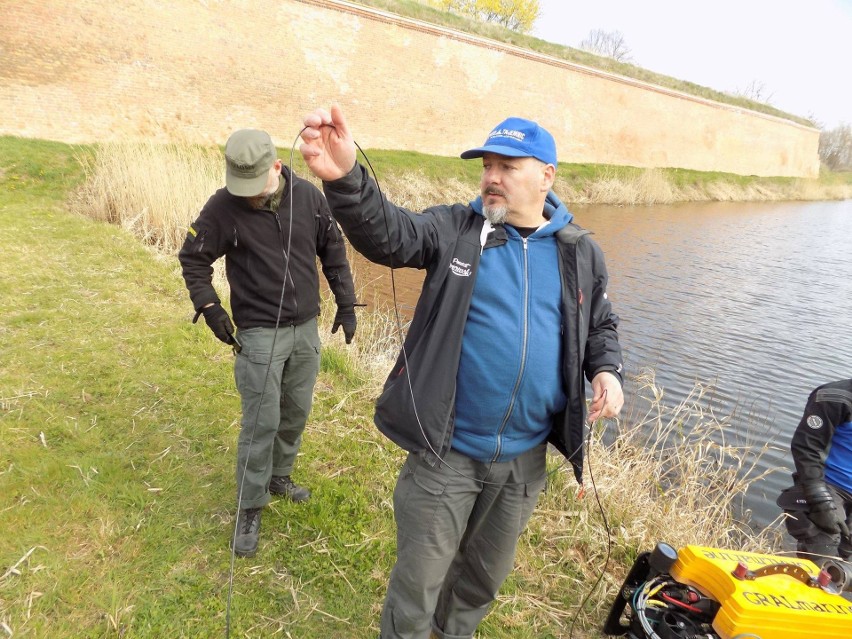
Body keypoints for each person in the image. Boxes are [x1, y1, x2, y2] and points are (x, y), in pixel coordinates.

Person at [299, 106, 624, 639]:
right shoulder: (455, 230)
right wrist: (346, 179)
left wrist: (606, 371)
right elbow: (391, 235)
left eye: (507, 166)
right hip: (446, 453)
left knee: (478, 584)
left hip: (522, 463)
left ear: (546, 175)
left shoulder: (580, 252)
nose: (491, 177)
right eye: (486, 165)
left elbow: (600, 324)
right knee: (417, 587)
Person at [178, 128, 359, 558]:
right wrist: (210, 308)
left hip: (305, 330)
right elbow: (193, 257)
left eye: (253, 186)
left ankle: (280, 476)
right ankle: (250, 504)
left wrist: (347, 304)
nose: (246, 195)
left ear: (276, 166)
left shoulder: (311, 199)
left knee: (295, 412)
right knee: (261, 421)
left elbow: (333, 252)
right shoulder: (222, 207)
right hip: (258, 333)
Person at [778, 379, 852, 564]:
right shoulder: (835, 397)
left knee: (845, 567)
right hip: (829, 486)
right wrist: (820, 501)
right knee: (823, 564)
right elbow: (807, 448)